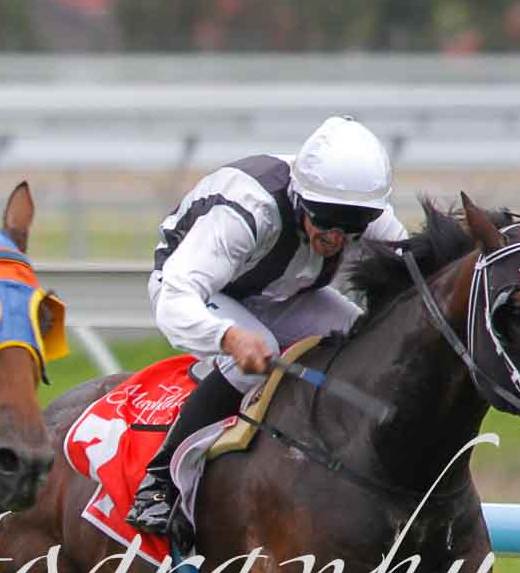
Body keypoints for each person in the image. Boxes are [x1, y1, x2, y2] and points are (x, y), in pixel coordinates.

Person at [125, 115, 410, 538]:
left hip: (281, 293)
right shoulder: (249, 210)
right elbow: (177, 294)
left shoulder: (367, 214)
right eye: (326, 220)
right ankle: (159, 482)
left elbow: (413, 277)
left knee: (365, 342)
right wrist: (227, 336)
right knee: (257, 351)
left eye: (351, 227)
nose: (336, 238)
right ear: (301, 198)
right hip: (196, 288)